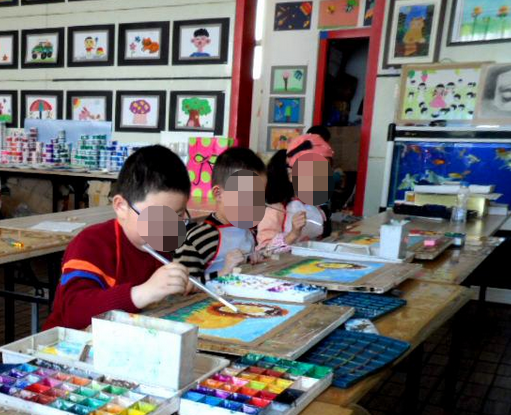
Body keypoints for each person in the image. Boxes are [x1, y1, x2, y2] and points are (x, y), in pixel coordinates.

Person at [44, 146, 192, 330]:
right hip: (69, 342)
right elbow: (73, 313)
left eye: (178, 216)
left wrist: (176, 286)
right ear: (121, 207)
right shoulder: (91, 244)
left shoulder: (159, 244)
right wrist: (142, 293)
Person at [173, 147, 267, 283]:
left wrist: (253, 262)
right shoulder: (197, 239)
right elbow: (182, 286)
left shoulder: (249, 232)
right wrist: (223, 272)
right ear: (218, 194)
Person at [258, 134, 334, 250]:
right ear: (291, 175)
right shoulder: (275, 210)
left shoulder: (315, 206)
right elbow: (264, 251)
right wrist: (293, 234)